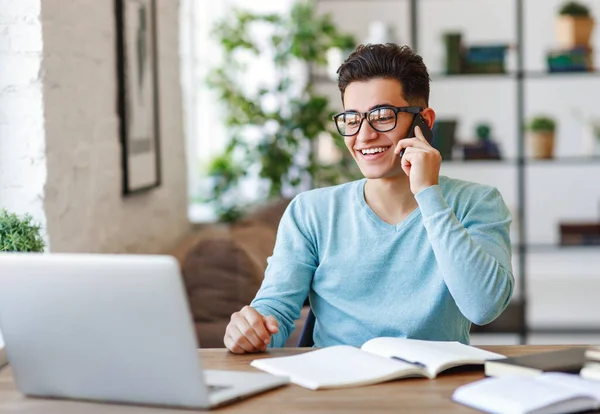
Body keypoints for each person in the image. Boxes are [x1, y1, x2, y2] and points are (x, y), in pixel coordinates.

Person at [223, 43, 514, 354]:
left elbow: (483, 307)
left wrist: (429, 195)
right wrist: (251, 329)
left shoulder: (477, 202)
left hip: (435, 389)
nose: (363, 136)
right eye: (351, 119)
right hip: (337, 390)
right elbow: (275, 313)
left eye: (382, 116)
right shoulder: (311, 212)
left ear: (424, 123)